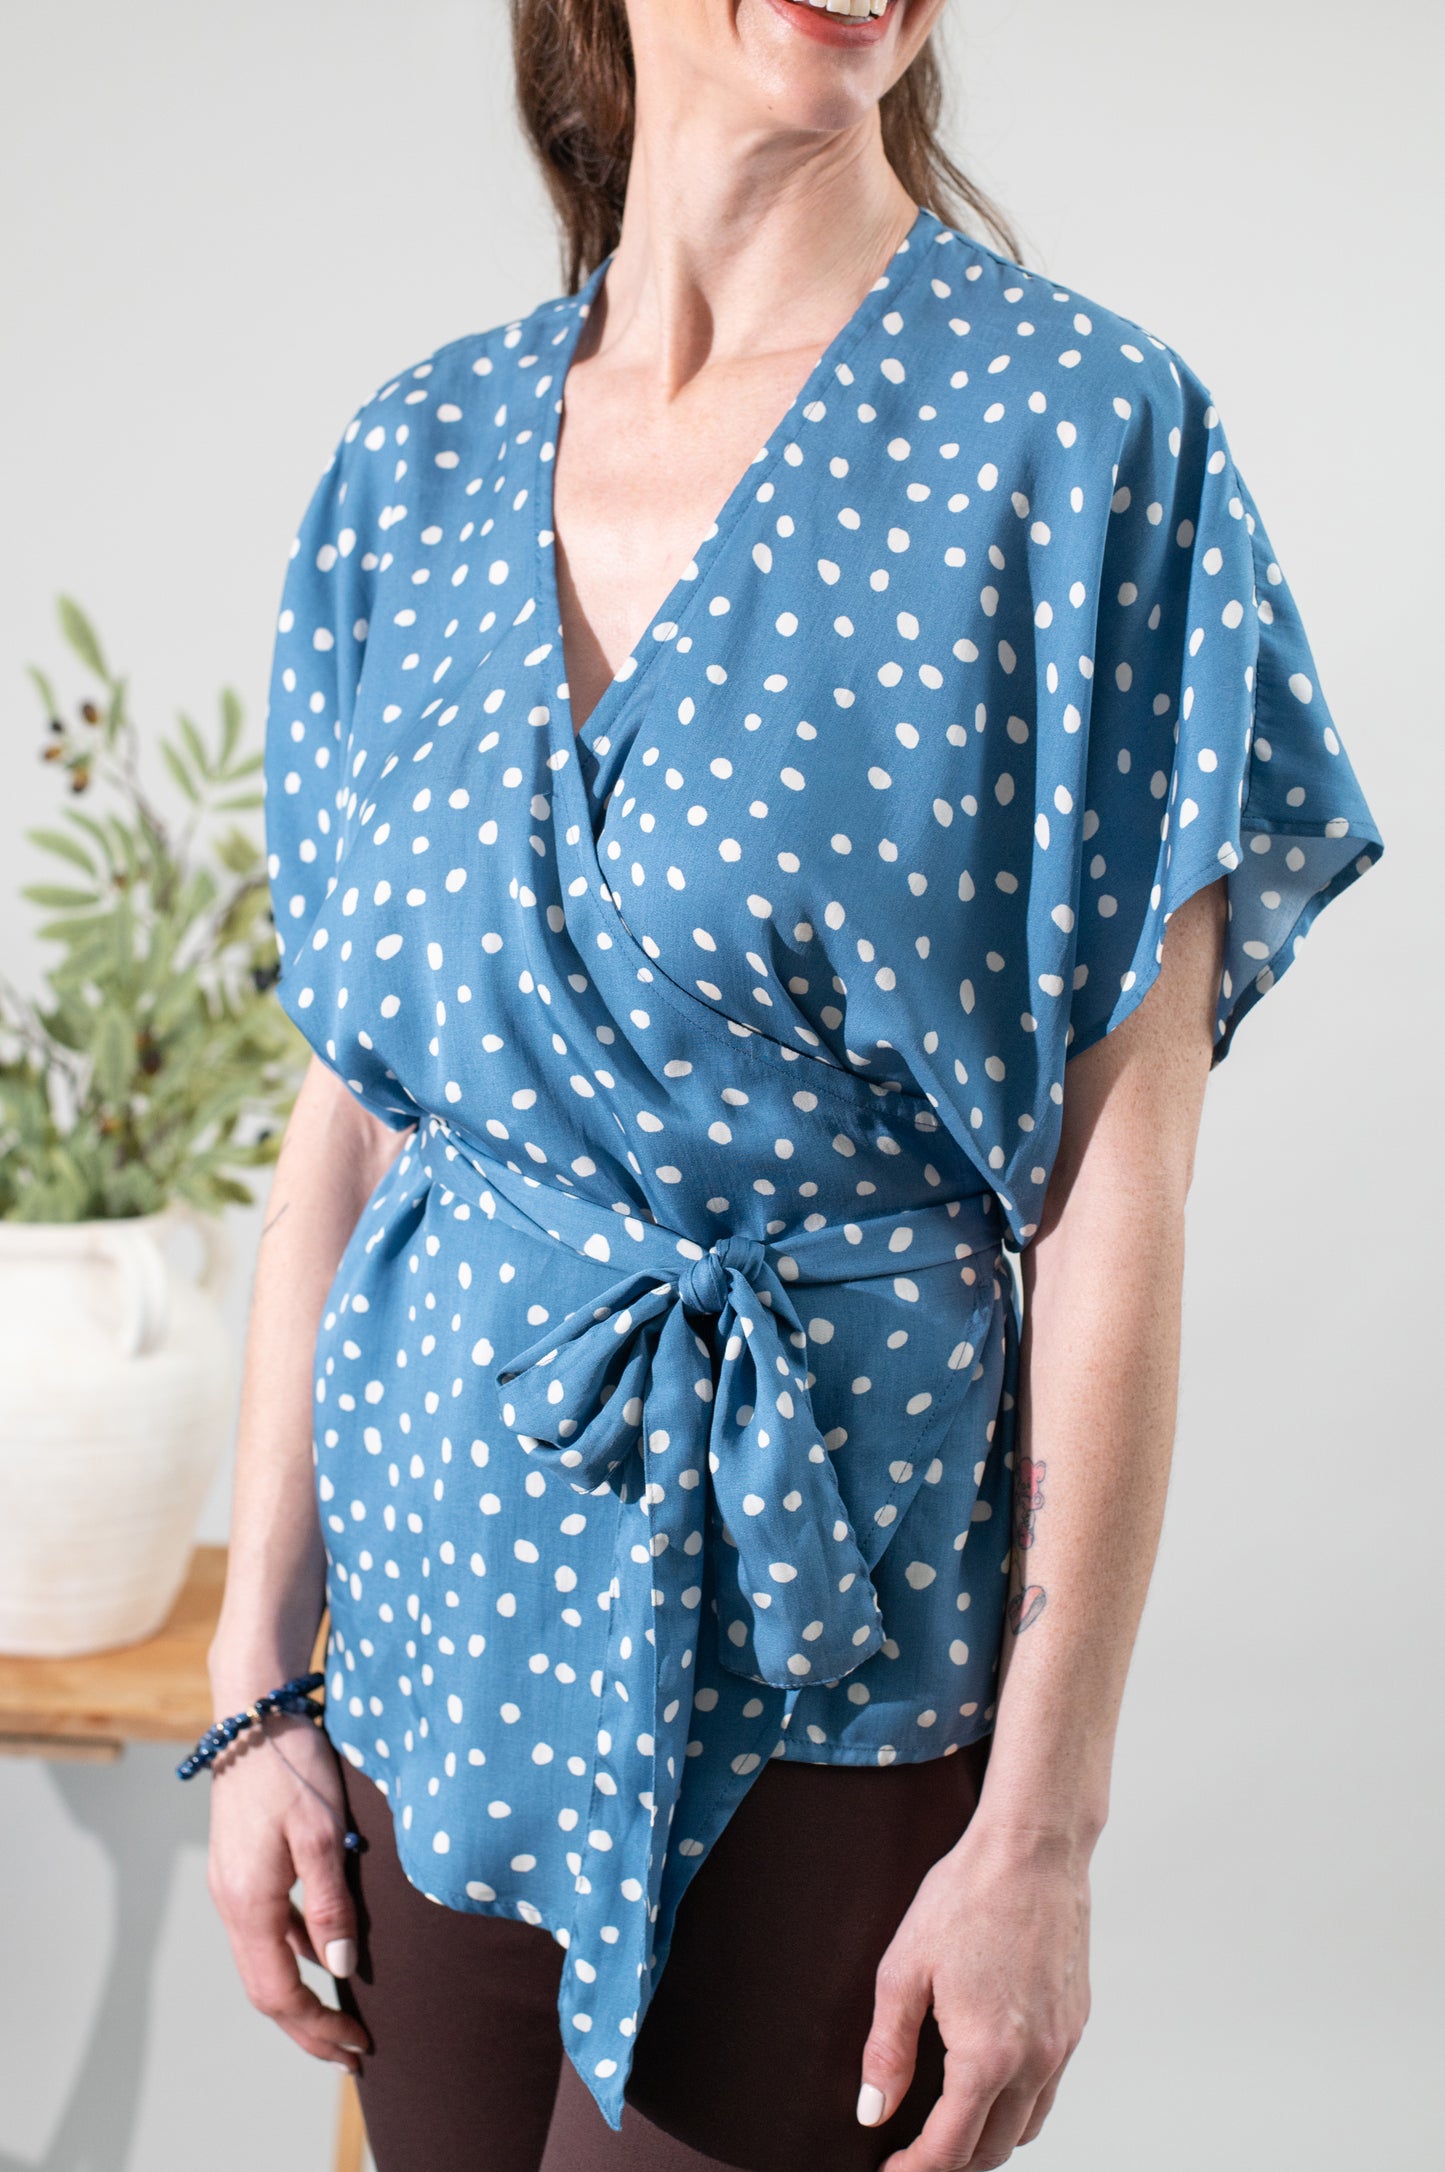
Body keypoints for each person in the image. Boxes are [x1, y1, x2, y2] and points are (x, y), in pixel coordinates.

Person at [201, 1, 1385, 2167]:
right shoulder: (415, 457)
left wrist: (1041, 1830)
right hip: (430, 1667)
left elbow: (1117, 1192)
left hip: (829, 1665)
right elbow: (351, 1127)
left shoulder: (1084, 442)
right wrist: (259, 1690)